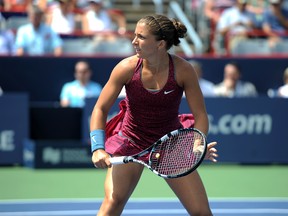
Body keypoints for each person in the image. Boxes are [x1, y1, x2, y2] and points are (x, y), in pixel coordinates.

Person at [89, 14, 218, 215]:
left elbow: (200, 115)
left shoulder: (183, 70)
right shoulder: (126, 68)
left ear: (160, 44)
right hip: (130, 141)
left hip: (170, 143)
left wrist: (197, 143)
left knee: (201, 212)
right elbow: (100, 109)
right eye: (135, 35)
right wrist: (97, 148)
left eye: (141, 37)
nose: (134, 41)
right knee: (112, 203)